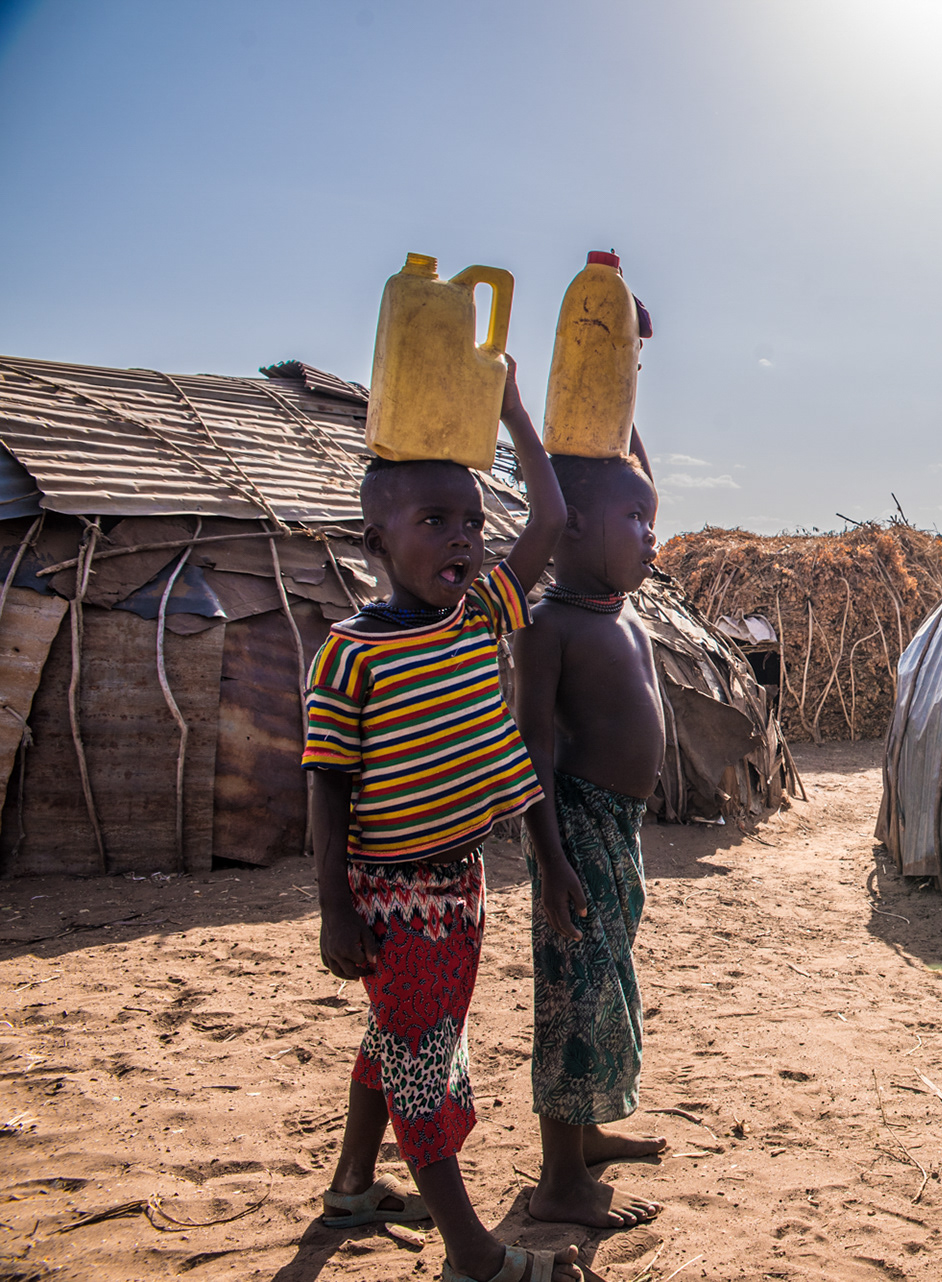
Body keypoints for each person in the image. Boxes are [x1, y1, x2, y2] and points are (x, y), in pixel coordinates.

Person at [304, 358, 582, 1282]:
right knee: (423, 1058)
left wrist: (513, 412)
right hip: (392, 893)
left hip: (463, 879)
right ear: (376, 542)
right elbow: (326, 789)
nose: (462, 538)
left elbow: (550, 520)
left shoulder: (479, 616)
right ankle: (472, 1254)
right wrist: (334, 908)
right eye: (434, 521)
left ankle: (353, 1185)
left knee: (402, 1035)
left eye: (471, 522)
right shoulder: (351, 655)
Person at [511, 429, 669, 1229]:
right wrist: (551, 857)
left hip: (619, 827)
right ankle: (559, 1180)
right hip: (573, 829)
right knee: (573, 997)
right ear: (569, 524)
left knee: (605, 983)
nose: (650, 536)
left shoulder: (618, 607)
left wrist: (627, 394)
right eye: (634, 521)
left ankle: (590, 1134)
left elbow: (634, 484)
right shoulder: (549, 625)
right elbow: (531, 747)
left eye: (651, 519)